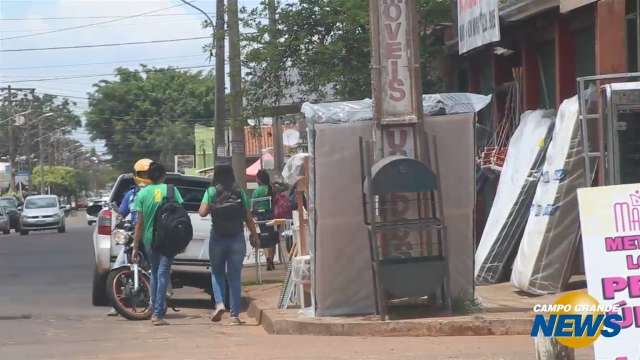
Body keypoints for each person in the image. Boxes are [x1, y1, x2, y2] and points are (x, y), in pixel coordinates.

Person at [199, 164, 258, 325]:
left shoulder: (211, 192)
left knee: (217, 273)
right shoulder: (239, 192)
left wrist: (212, 205)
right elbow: (248, 217)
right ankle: (234, 316)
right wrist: (254, 235)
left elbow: (202, 212)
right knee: (234, 277)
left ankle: (219, 304)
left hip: (217, 237)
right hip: (237, 237)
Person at [132, 162, 184, 326]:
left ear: (148, 177)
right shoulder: (171, 190)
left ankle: (154, 308)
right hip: (168, 239)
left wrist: (135, 246)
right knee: (162, 273)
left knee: (155, 273)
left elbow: (139, 223)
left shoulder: (142, 194)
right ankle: (157, 313)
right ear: (163, 176)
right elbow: (180, 215)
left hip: (149, 239)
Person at [108, 158, 153, 317]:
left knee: (157, 267)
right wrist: (120, 222)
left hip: (151, 234)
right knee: (117, 266)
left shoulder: (157, 191)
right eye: (142, 173)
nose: (145, 176)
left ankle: (161, 297)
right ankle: (116, 303)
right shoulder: (130, 195)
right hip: (134, 234)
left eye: (148, 173)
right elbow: (121, 213)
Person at [252, 169, 277, 270]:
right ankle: (270, 259)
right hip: (271, 215)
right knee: (272, 237)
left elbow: (253, 206)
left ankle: (267, 258)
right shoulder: (271, 188)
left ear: (259, 179)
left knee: (264, 237)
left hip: (260, 216)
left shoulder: (256, 191)